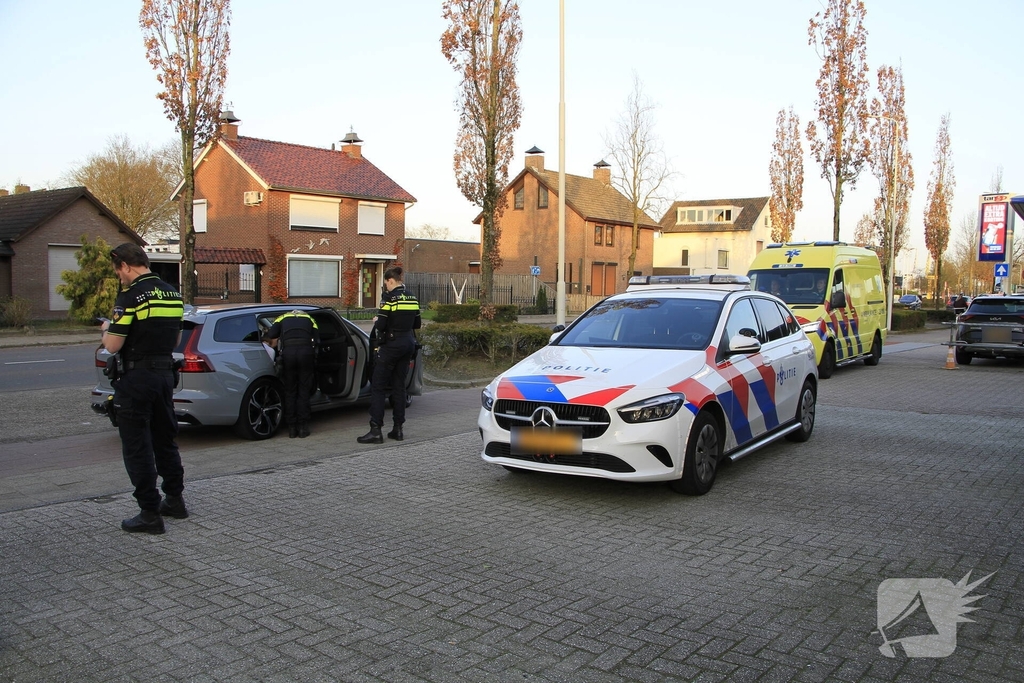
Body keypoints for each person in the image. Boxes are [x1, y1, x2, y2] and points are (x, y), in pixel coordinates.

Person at [100, 243, 186, 535]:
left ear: (125, 265)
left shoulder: (130, 296)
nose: (119, 276)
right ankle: (174, 500)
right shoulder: (173, 293)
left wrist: (106, 330)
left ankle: (149, 513)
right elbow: (176, 341)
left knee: (137, 446)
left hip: (136, 379)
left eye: (118, 271)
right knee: (165, 440)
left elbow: (114, 345)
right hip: (164, 377)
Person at [358, 266, 421, 444]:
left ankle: (375, 430)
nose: (386, 287)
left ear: (390, 280)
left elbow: (381, 325)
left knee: (378, 386)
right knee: (399, 386)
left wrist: (377, 320)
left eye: (386, 283)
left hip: (391, 346)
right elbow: (417, 323)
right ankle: (398, 429)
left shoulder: (389, 299)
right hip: (408, 344)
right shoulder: (412, 297)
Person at [265, 310, 320, 438]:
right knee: (304, 390)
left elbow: (271, 334)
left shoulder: (282, 317)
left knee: (290, 391)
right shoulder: (310, 318)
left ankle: (291, 428)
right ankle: (303, 427)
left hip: (288, 355)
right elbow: (317, 339)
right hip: (306, 354)